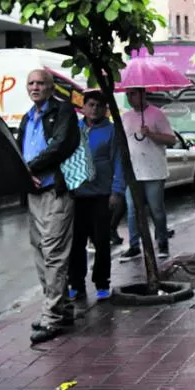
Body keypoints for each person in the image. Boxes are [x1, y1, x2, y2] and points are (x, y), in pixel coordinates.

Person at [18, 68, 80, 345]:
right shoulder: (26, 118)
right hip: (34, 193)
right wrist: (22, 172)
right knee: (41, 251)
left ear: (51, 87)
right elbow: (19, 150)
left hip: (56, 191)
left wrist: (30, 167)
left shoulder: (62, 111)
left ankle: (51, 317)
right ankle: (62, 308)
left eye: (40, 83)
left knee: (54, 253)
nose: (35, 87)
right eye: (31, 83)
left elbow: (61, 145)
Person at [67, 90, 125, 302]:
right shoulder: (75, 129)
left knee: (101, 241)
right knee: (76, 242)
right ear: (83, 107)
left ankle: (102, 282)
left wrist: (116, 191)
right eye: (90, 105)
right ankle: (76, 283)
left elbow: (119, 162)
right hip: (77, 194)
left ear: (105, 109)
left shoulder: (111, 131)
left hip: (102, 194)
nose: (94, 109)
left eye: (99, 106)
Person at [119, 87, 177, 261]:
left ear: (143, 94)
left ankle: (162, 242)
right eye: (127, 94)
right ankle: (134, 245)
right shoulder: (126, 117)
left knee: (156, 210)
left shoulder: (157, 114)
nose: (130, 97)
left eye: (133, 94)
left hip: (154, 171)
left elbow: (171, 139)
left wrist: (151, 134)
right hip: (133, 172)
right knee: (132, 211)